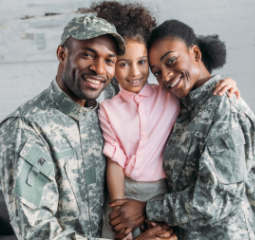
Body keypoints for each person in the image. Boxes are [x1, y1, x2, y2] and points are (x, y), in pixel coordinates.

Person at [0, 15, 177, 240]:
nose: (98, 68)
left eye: (110, 60)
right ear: (62, 54)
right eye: (87, 54)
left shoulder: (101, 115)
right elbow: (37, 232)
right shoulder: (24, 129)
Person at [107, 19, 255, 240]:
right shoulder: (184, 107)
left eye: (172, 61)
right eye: (157, 71)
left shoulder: (225, 107)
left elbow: (216, 199)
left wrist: (147, 208)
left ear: (195, 53)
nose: (165, 76)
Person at [92, 2, 241, 240]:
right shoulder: (107, 109)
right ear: (112, 65)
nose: (134, 72)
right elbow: (115, 162)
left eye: (142, 62)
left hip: (163, 193)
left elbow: (198, 92)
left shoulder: (167, 94)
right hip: (125, 188)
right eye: (123, 63)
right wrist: (119, 207)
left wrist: (227, 81)